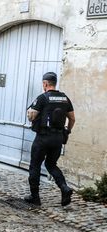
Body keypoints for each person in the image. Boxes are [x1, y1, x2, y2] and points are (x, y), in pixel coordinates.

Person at [25, 72, 75, 206]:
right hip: (58, 138)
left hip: (43, 137)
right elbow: (72, 118)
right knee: (51, 164)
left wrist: (32, 117)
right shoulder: (65, 98)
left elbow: (31, 114)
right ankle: (65, 188)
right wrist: (67, 131)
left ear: (45, 84)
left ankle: (35, 197)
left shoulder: (42, 98)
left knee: (35, 166)